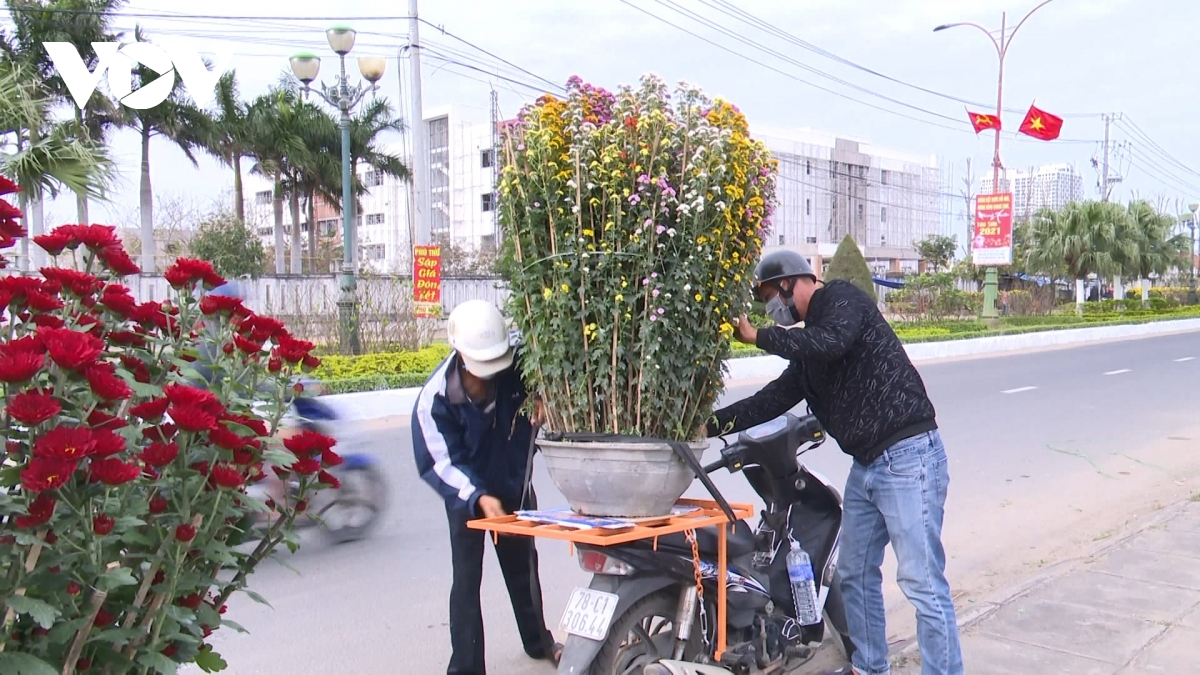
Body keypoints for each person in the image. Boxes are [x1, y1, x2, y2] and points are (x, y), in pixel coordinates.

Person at [701, 251, 963, 675]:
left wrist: (759, 337)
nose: (772, 307)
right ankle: (870, 666)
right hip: (868, 467)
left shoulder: (841, 299)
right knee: (856, 576)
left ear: (791, 283)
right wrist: (705, 425)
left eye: (771, 296)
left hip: (909, 455)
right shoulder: (809, 353)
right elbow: (770, 399)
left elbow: (832, 342)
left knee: (922, 583)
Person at [412, 300, 560, 675]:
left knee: (524, 570)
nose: (487, 377)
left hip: (515, 487)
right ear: (460, 357)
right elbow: (440, 463)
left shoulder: (521, 370)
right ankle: (465, 667)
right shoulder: (435, 400)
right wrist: (477, 496)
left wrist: (546, 403)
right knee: (466, 581)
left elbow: (552, 393)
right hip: (468, 499)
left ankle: (539, 642)